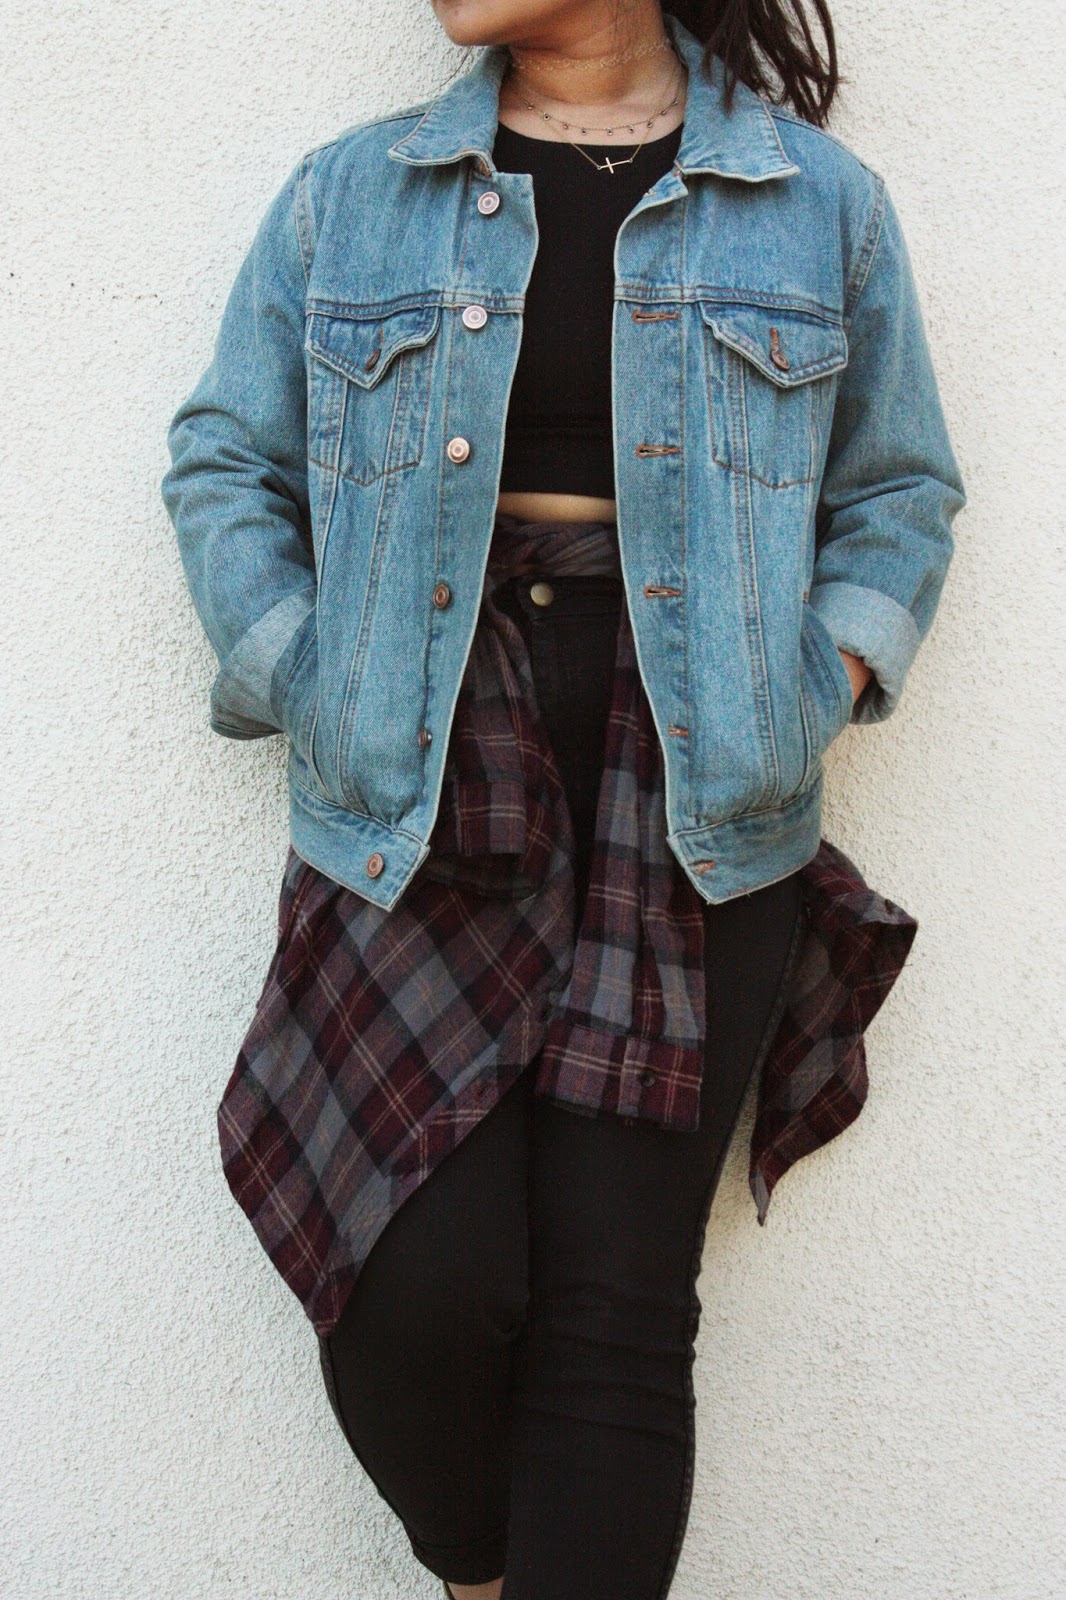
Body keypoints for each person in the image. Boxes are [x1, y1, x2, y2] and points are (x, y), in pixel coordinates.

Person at [161, 3, 965, 1596]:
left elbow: (897, 492)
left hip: (697, 783)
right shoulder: (352, 194)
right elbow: (224, 462)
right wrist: (312, 675)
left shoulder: (816, 205)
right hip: (419, 757)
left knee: (616, 1309)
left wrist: (809, 691)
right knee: (412, 1282)